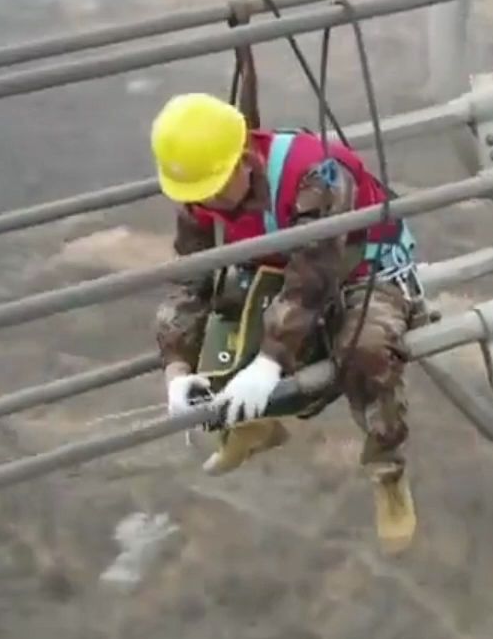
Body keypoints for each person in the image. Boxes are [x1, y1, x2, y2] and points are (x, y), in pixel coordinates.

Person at [149, 92, 423, 553]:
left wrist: (271, 360)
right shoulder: (203, 188)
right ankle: (251, 425)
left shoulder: (316, 176)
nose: (210, 205)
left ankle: (387, 466)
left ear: (243, 159)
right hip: (277, 268)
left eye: (215, 191)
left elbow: (314, 276)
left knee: (365, 350)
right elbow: (190, 278)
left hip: (364, 267)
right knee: (225, 323)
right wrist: (175, 367)